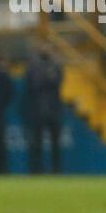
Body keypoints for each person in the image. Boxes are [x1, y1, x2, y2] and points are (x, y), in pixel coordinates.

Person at [23, 45, 63, 174]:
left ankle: (56, 170)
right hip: (38, 111)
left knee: (55, 144)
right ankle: (37, 171)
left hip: (53, 110)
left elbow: (58, 81)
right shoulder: (34, 67)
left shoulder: (55, 65)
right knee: (36, 144)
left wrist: (45, 78)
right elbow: (33, 85)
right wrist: (48, 77)